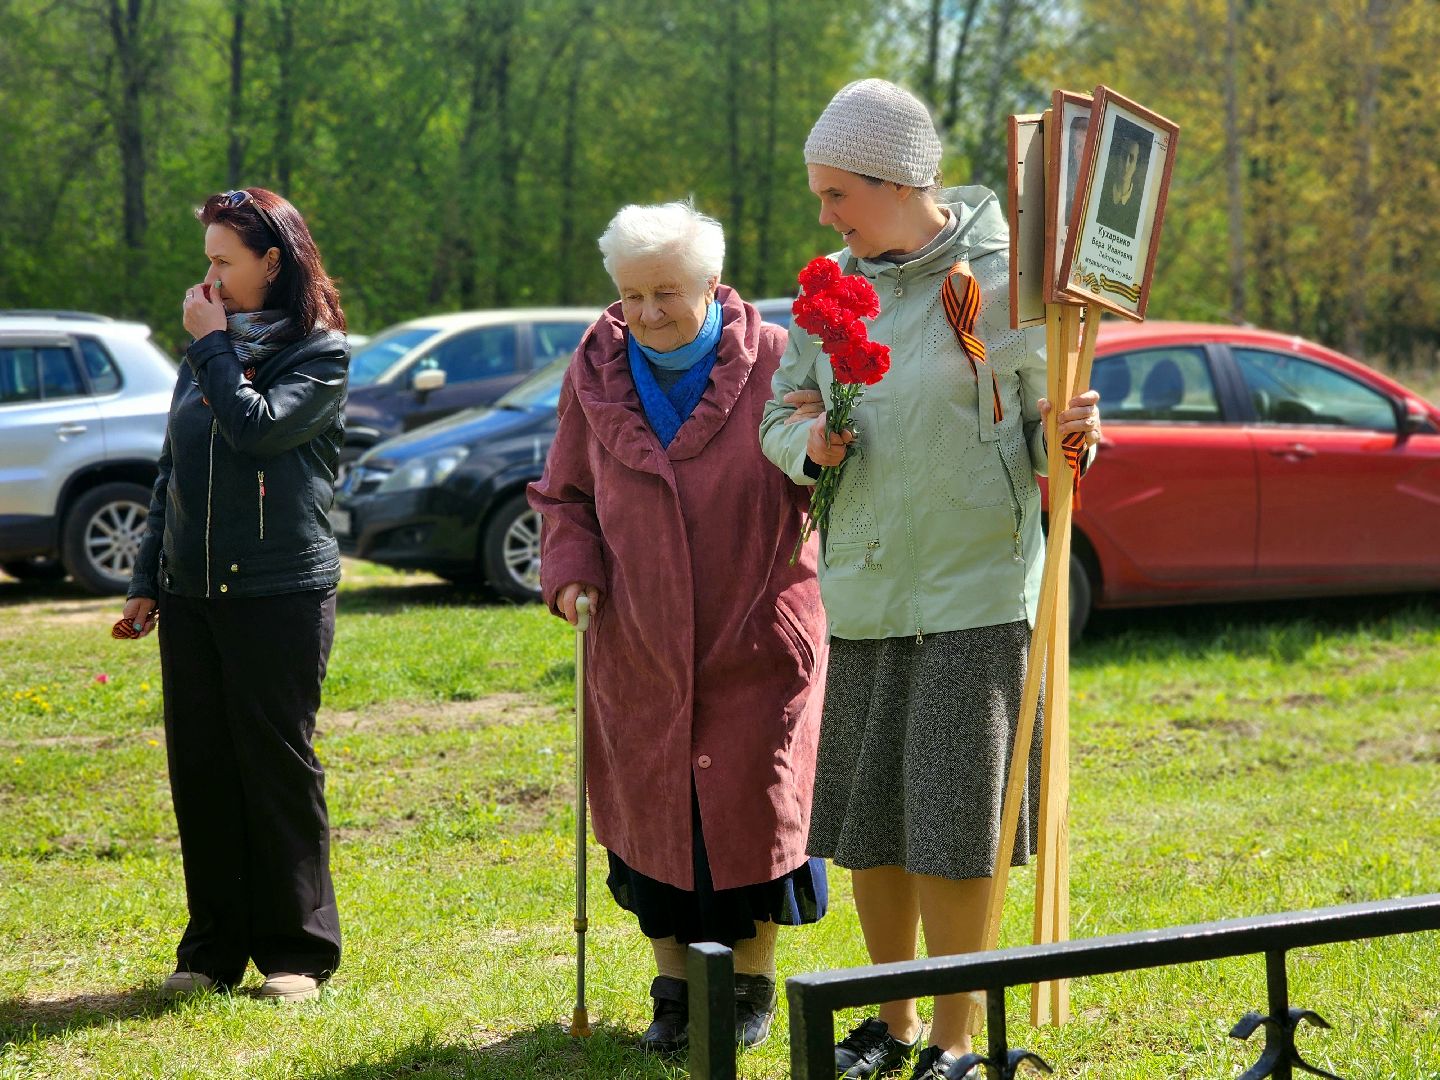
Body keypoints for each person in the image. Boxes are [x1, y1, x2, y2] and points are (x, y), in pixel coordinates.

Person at [760, 80, 1102, 1080]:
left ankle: (957, 1038)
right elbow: (783, 410)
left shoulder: (1009, 278)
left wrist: (1077, 437)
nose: (824, 216)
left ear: (899, 181)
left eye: (837, 195)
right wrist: (808, 442)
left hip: (977, 587)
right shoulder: (827, 286)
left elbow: (1052, 435)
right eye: (820, 196)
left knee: (955, 823)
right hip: (865, 586)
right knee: (871, 824)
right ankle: (892, 1021)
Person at [528, 201, 828, 1053]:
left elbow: (828, 475)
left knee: (754, 816)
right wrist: (571, 575)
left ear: (711, 283)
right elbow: (566, 495)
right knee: (654, 822)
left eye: (667, 292)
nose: (648, 313)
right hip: (639, 644)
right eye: (632, 295)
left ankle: (746, 983)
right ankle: (672, 986)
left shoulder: (778, 360)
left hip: (757, 638)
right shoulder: (593, 372)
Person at [120, 187, 349, 1004]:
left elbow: (255, 428)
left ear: (272, 262)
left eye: (223, 260)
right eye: (206, 258)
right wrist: (148, 580)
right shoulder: (204, 351)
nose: (207, 276)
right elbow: (172, 471)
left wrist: (214, 346)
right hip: (191, 595)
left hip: (280, 591)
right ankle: (212, 952)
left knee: (277, 770)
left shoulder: (320, 355)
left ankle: (298, 954)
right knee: (205, 772)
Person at [1095, 122, 1150, 238]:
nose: (1126, 164)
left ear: (1136, 165)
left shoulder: (1139, 210)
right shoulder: (1097, 192)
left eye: (1131, 158)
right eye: (1123, 156)